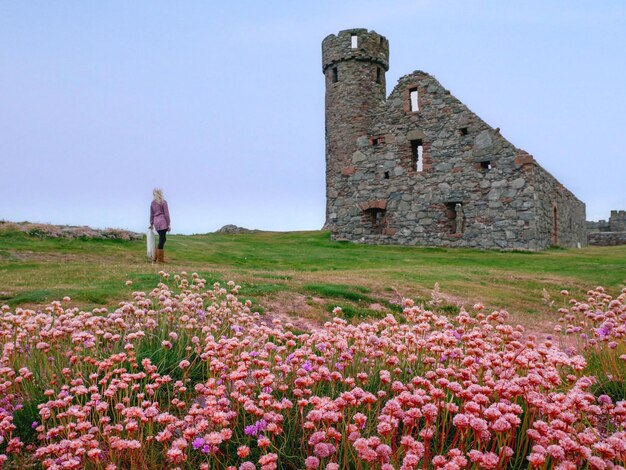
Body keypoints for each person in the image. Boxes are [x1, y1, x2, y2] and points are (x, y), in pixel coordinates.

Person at [149, 188, 170, 262]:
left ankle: (156, 257)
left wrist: (151, 223)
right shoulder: (163, 202)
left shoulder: (152, 203)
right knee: (162, 239)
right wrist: (168, 224)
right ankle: (158, 258)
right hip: (162, 221)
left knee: (162, 238)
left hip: (156, 222)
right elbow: (166, 214)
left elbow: (151, 214)